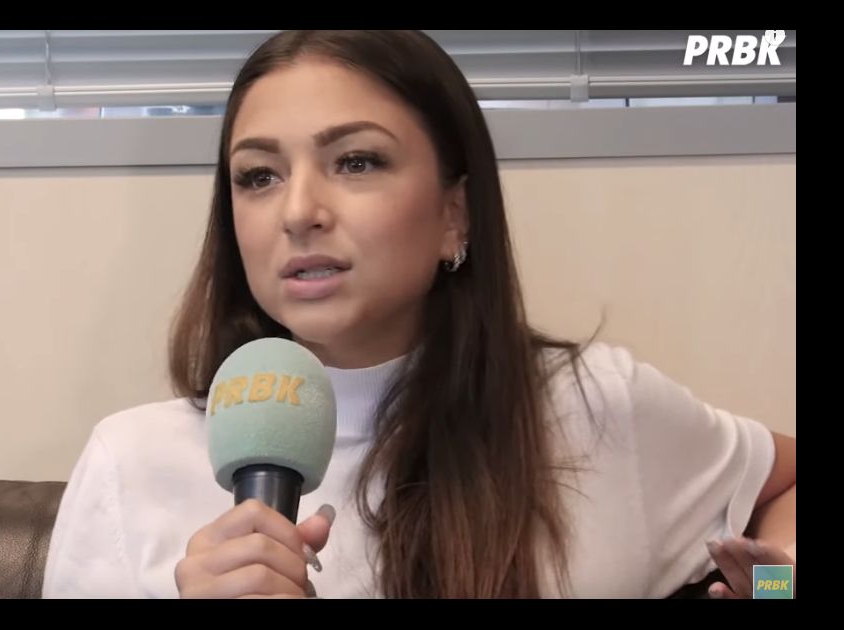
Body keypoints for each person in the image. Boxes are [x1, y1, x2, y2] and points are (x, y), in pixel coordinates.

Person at [41, 30, 796, 599]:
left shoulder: (596, 406)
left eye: (356, 162)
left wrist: (777, 585)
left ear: (453, 214)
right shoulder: (131, 463)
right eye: (259, 176)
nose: (299, 211)